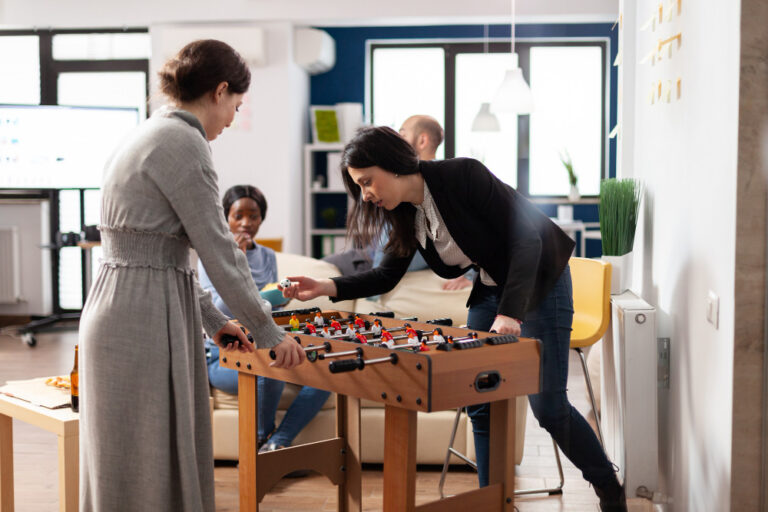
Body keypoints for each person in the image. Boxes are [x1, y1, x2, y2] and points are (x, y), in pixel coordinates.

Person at [280, 126, 627, 512]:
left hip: (541, 278)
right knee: (477, 399)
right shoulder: (404, 216)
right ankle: (492, 501)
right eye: (359, 188)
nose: (366, 195)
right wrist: (323, 285)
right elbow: (385, 276)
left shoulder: (463, 175)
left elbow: (528, 239)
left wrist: (510, 313)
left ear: (392, 164)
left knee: (549, 408)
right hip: (492, 285)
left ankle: (608, 486)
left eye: (366, 182)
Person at [78, 39, 305, 512]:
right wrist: (267, 331)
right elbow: (219, 251)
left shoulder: (149, 132)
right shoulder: (185, 142)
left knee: (128, 460)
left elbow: (163, 252)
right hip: (141, 315)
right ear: (220, 91)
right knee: (149, 457)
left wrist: (213, 320)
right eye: (235, 106)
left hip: (121, 304)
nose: (230, 120)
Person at [198, 184, 331, 453]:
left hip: (264, 345)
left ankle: (276, 443)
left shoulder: (268, 255)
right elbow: (221, 310)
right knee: (270, 369)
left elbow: (265, 308)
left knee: (324, 375)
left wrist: (284, 296)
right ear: (226, 217)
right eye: (238, 216)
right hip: (224, 356)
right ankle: (260, 440)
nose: (246, 223)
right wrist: (237, 261)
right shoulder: (212, 255)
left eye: (254, 216)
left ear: (261, 218)